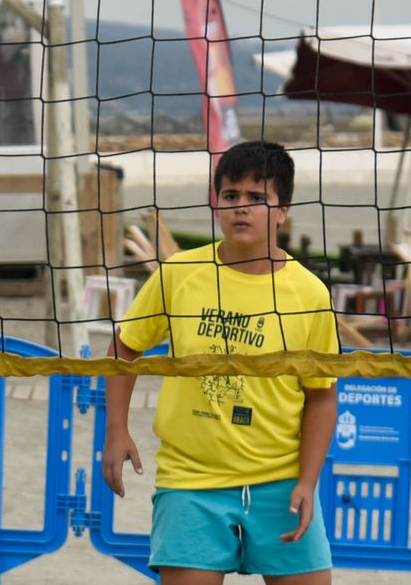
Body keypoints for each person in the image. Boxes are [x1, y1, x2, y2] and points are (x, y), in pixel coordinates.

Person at [104, 141, 339, 585]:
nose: (241, 209)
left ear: (283, 210)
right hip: (191, 482)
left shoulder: (309, 294)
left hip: (280, 483)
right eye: (230, 196)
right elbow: (124, 348)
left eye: (257, 198)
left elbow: (322, 398)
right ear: (217, 204)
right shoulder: (178, 274)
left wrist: (308, 481)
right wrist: (116, 430)